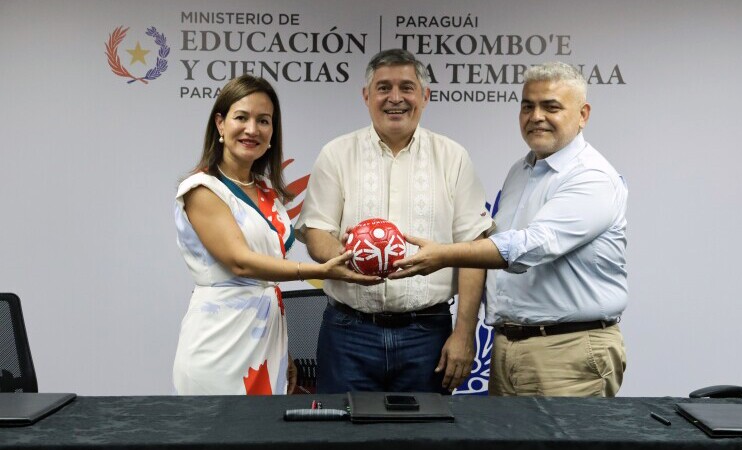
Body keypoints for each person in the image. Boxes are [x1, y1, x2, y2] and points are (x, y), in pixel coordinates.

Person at [389, 62, 628, 397]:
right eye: (527, 106)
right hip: (510, 347)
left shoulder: (591, 176)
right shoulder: (522, 170)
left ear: (583, 114)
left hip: (567, 350)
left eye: (551, 106)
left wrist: (444, 254)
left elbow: (531, 246)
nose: (536, 116)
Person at [295, 49, 494, 394]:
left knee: (423, 439)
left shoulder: (453, 157)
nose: (395, 98)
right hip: (348, 332)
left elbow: (474, 249)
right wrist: (344, 259)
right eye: (384, 87)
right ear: (366, 96)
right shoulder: (336, 153)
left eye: (407, 87)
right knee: (342, 437)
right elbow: (316, 232)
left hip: (427, 334)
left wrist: (464, 334)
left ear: (425, 96)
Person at [172, 75, 379, 396]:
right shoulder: (202, 189)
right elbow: (241, 263)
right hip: (219, 341)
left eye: (263, 121)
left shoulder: (267, 191)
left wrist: (284, 351)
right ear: (220, 124)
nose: (252, 129)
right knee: (214, 439)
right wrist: (320, 272)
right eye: (241, 117)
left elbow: (271, 271)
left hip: (268, 339)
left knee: (265, 442)